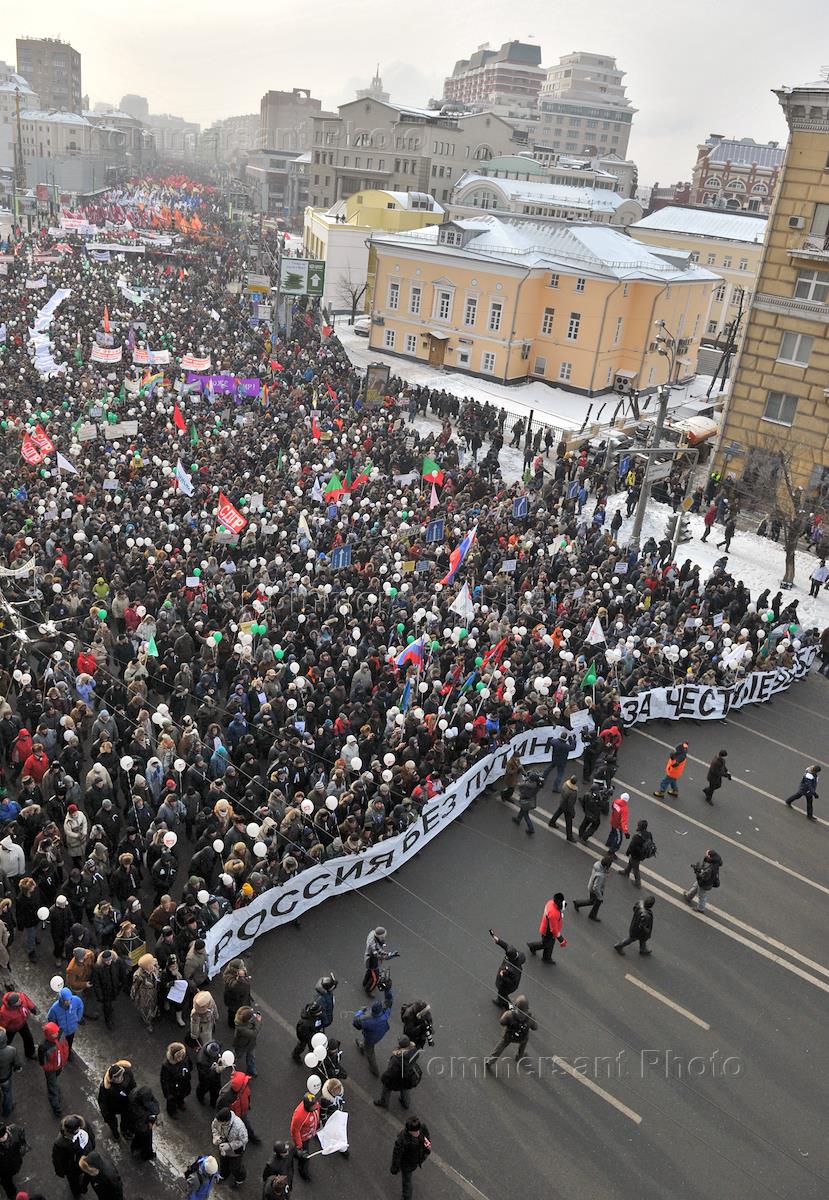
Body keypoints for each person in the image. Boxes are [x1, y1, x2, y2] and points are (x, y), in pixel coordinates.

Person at [484, 996, 538, 1070]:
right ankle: (519, 1057)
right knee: (524, 1043)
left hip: (509, 1036)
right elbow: (535, 1028)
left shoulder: (509, 1014)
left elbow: (502, 1022)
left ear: (516, 1005)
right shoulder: (530, 1018)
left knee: (501, 1046)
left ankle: (490, 1061)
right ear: (527, 1007)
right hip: (522, 1037)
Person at [52, 1113, 95, 1198]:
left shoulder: (83, 1125)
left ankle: (80, 1188)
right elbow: (57, 1159)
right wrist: (60, 1171)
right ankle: (76, 1193)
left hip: (85, 1160)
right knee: (74, 1181)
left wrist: (92, 1147)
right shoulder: (60, 1143)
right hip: (73, 1168)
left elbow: (91, 1136)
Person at [390, 1115, 431, 1200]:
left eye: (417, 1131)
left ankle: (406, 1197)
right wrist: (395, 1167)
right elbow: (397, 1154)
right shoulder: (402, 1139)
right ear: (409, 1131)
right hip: (408, 1163)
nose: (417, 1134)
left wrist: (427, 1151)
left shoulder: (422, 1128)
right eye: (414, 1132)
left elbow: (427, 1139)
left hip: (415, 1160)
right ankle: (407, 1197)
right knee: (407, 1180)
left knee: (407, 1181)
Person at [374, 1037, 422, 1110]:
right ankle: (406, 1103)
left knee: (387, 1088)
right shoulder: (414, 1050)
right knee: (405, 1089)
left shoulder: (397, 1059)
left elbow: (391, 1071)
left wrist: (384, 1077)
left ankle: (384, 1102)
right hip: (408, 1076)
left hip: (398, 1077)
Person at [37, 1021, 70, 1116]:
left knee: (54, 1081)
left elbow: (66, 1045)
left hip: (60, 1066)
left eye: (57, 1031)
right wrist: (50, 1068)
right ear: (49, 1034)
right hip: (51, 1070)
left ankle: (54, 1086)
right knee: (53, 1088)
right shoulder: (43, 1047)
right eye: (54, 1033)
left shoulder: (60, 1033)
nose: (57, 1033)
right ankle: (56, 1108)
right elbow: (42, 1062)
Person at [97, 1062, 135, 1140]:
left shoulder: (127, 1074)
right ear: (112, 1079)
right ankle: (115, 1132)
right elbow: (102, 1102)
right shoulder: (105, 1088)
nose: (120, 1078)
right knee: (112, 1123)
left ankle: (124, 1130)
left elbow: (133, 1086)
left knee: (126, 1119)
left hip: (125, 1104)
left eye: (121, 1075)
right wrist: (106, 1115)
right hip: (112, 1108)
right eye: (117, 1077)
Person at [353, 998, 391, 1076]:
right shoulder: (385, 1014)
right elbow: (389, 1001)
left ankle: (374, 1069)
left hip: (370, 1038)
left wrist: (360, 1012)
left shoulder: (367, 1021)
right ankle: (362, 1046)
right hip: (380, 1033)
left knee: (370, 1053)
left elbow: (356, 1022)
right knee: (366, 1044)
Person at [527, 893, 567, 964]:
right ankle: (533, 947)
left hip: (546, 928)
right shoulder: (553, 913)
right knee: (546, 944)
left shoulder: (551, 902)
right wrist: (561, 939)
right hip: (548, 932)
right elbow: (554, 929)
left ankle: (546, 957)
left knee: (548, 944)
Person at [489, 930, 525, 1008]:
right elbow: (507, 946)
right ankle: (500, 1001)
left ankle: (511, 1007)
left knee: (503, 994)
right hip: (507, 982)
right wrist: (498, 941)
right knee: (501, 993)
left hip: (508, 985)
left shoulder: (513, 969)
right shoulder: (517, 955)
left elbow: (511, 981)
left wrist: (502, 975)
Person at [572, 855, 614, 921]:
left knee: (592, 901)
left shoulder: (597, 865)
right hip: (596, 890)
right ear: (605, 866)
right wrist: (600, 896)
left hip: (591, 885)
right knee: (596, 901)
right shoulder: (601, 875)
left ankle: (579, 904)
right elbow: (596, 888)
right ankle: (591, 914)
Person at [289, 1093, 319, 1182]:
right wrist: (299, 1145)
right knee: (305, 1157)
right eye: (314, 1106)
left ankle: (295, 1153)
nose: (316, 1107)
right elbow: (295, 1131)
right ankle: (303, 1171)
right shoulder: (299, 1116)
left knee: (299, 1152)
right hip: (303, 1139)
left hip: (309, 1134)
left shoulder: (314, 1106)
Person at [47, 986, 84, 1058]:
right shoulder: (54, 1009)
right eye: (66, 1000)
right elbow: (51, 1021)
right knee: (60, 1044)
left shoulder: (76, 1000)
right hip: (61, 1031)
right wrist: (56, 1031)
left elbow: (80, 1006)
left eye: (69, 999)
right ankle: (61, 1054)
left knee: (70, 1042)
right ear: (61, 1000)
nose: (68, 1002)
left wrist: (78, 1018)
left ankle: (68, 1053)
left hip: (72, 1029)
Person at [0, 992, 37, 1062]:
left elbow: (26, 1000)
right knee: (6, 1041)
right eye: (18, 1001)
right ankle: (2, 1052)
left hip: (22, 1024)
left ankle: (30, 1053)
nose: (20, 1000)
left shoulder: (20, 996)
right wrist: (2, 1032)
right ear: (12, 1005)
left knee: (28, 1037)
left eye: (19, 999)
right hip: (11, 1029)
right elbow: (2, 1024)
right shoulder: (4, 1013)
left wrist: (32, 1007)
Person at [128, 1084, 160, 1161]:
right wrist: (150, 1124)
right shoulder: (140, 1112)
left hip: (134, 1123)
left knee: (138, 1138)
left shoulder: (135, 1094)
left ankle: (135, 1148)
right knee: (146, 1142)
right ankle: (146, 1155)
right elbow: (155, 1109)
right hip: (142, 1126)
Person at [160, 1041, 192, 1118]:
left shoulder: (185, 1056)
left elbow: (189, 1065)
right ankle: (172, 1111)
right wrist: (167, 1094)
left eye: (182, 1056)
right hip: (173, 1088)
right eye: (179, 1056)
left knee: (182, 1095)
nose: (180, 1058)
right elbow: (164, 1081)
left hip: (184, 1083)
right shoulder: (167, 1066)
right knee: (171, 1101)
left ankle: (180, 1103)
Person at [362, 927, 396, 995]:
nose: (384, 938)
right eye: (383, 937)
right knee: (375, 978)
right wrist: (390, 955)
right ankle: (368, 990)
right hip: (372, 962)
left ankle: (365, 982)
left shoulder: (372, 935)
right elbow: (379, 955)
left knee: (369, 972)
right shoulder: (373, 946)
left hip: (369, 958)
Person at [621, 820, 656, 885]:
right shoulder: (649, 834)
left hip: (636, 855)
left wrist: (627, 852)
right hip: (642, 854)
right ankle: (627, 871)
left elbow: (631, 846)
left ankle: (638, 882)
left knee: (635, 867)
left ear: (640, 827)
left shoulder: (637, 837)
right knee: (632, 861)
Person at [547, 774, 579, 841]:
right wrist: (572, 812)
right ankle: (569, 836)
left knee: (558, 812)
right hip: (567, 807)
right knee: (569, 822)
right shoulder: (573, 792)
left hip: (562, 802)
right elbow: (570, 804)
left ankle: (551, 822)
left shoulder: (565, 784)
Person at [291, 1000, 324, 1065]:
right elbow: (302, 1034)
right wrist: (310, 1039)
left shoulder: (315, 1017)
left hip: (314, 1035)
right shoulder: (305, 1023)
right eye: (319, 1012)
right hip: (307, 1038)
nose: (321, 1012)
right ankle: (295, 1055)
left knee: (312, 1048)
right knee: (301, 1047)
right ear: (314, 1013)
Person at [0, 1121, 27, 1200]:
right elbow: (23, 1144)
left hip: (4, 1170)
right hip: (16, 1163)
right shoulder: (15, 1129)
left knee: (7, 1182)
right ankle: (12, 1194)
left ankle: (12, 1194)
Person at [0, 1032, 20, 1119]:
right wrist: (17, 1068)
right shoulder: (11, 1050)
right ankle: (7, 1111)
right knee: (7, 1094)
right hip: (5, 1077)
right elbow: (17, 1064)